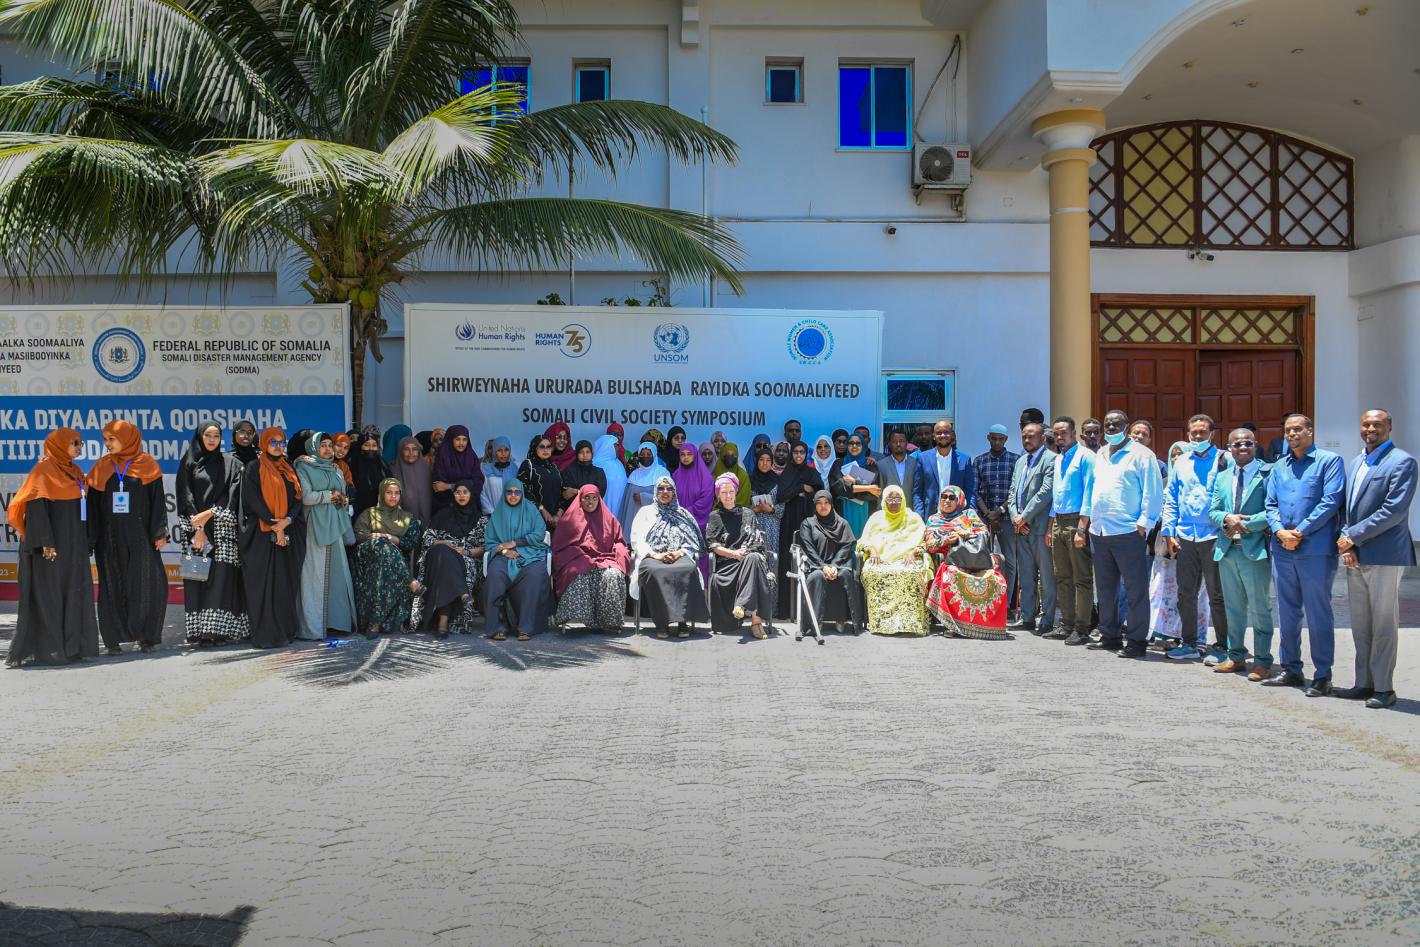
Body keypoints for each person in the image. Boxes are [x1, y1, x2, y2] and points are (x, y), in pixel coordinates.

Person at [1335, 409, 1415, 708]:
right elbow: (1347, 507)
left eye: (1377, 424)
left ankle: (1384, 688)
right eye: (1366, 424)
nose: (1370, 429)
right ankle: (1363, 683)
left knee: (1383, 624)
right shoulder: (1357, 461)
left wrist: (1353, 537)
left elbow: (1394, 510)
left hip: (1385, 554)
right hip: (1356, 553)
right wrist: (1347, 544)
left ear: (1389, 427)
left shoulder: (1402, 461)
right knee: (1361, 623)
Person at [1262, 413, 1346, 696]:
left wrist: (1299, 532)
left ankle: (1323, 675)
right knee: (1287, 611)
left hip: (1315, 550)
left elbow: (1330, 501)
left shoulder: (1329, 461)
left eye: (1297, 429)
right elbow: (1270, 504)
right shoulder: (1279, 467)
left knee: (1318, 612)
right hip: (1282, 550)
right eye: (1287, 430)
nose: (1291, 434)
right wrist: (1279, 531)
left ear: (1310, 431)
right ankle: (1291, 669)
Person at [5, 428, 99, 667]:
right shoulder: (43, 471)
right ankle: (51, 650)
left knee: (74, 591)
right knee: (51, 595)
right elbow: (36, 510)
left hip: (73, 545)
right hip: (50, 548)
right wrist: (45, 542)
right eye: (75, 443)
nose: (79, 447)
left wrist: (86, 539)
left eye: (81, 443)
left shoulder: (74, 472)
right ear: (59, 445)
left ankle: (73, 647)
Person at [1079, 409, 1163, 658]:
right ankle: (1110, 636)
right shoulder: (1101, 453)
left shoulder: (1142, 455)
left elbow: (1153, 492)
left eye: (1116, 424)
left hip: (1128, 531)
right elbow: (1092, 489)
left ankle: (1136, 641)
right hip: (1100, 530)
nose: (1111, 429)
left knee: (1135, 590)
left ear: (1126, 426)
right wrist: (1087, 523)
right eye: (1107, 424)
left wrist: (1143, 524)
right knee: (1106, 589)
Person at [87, 419, 167, 655]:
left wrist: (159, 532)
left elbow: (157, 502)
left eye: (112, 439)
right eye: (105, 439)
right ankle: (113, 640)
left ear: (127, 438)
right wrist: (91, 538)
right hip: (109, 539)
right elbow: (92, 507)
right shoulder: (102, 467)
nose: (107, 443)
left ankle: (147, 637)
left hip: (141, 537)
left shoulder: (147, 465)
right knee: (112, 585)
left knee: (147, 584)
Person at [1160, 415, 1230, 661]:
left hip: (1214, 536)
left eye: (1202, 432)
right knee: (1186, 593)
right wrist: (1168, 532)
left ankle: (1222, 646)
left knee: (1217, 595)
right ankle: (1189, 643)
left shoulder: (1225, 460)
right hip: (1185, 536)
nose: (1198, 437)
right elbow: (1172, 497)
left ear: (1212, 434)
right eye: (1194, 433)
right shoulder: (1182, 462)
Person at [1208, 428, 1274, 678]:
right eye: (1237, 444)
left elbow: (1273, 509)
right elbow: (1213, 511)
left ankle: (1262, 660)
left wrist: (1246, 523)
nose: (1242, 448)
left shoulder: (1268, 473)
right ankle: (1236, 656)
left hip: (1255, 550)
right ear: (1229, 448)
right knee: (1233, 608)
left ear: (1255, 445)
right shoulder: (1223, 476)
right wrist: (1227, 518)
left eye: (1247, 443)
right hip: (1227, 550)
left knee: (1259, 608)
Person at [175, 421, 247, 646]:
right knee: (197, 579)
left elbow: (232, 495)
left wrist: (210, 513)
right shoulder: (189, 462)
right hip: (195, 532)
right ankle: (201, 633)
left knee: (221, 582)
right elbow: (185, 497)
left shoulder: (231, 464)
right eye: (208, 435)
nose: (212, 440)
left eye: (216, 436)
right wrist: (199, 530)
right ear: (200, 437)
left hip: (223, 531)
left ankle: (217, 632)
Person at [239, 427, 306, 649]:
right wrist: (275, 526)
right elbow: (253, 499)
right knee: (263, 584)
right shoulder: (254, 468)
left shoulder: (289, 468)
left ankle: (285, 631)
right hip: (261, 534)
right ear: (264, 443)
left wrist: (287, 520)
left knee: (285, 583)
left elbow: (298, 498)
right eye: (273, 442)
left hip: (288, 531)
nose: (278, 446)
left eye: (281, 442)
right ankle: (266, 635)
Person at [924, 485, 1009, 640]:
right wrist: (946, 539)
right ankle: (953, 625)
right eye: (944, 497)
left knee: (994, 577)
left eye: (952, 498)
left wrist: (968, 533)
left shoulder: (969, 514)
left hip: (974, 559)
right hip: (951, 560)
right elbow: (929, 545)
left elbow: (984, 533)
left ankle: (986, 624)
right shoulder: (933, 519)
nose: (947, 501)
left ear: (959, 501)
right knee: (951, 574)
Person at [294, 431, 356, 640]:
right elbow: (306, 497)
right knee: (314, 576)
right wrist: (330, 495)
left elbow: (343, 496)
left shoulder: (336, 468)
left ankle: (336, 623)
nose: (328, 449)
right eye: (323, 445)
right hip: (315, 525)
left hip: (335, 524)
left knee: (337, 575)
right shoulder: (303, 467)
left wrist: (342, 499)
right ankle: (312, 628)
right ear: (313, 447)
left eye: (330, 445)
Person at [629, 476, 709, 638]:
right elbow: (637, 540)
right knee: (655, 571)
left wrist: (679, 553)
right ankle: (662, 622)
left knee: (688, 568)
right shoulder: (645, 512)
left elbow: (692, 541)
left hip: (679, 555)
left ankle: (683, 621)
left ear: (674, 492)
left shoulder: (683, 514)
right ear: (655, 491)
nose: (665, 492)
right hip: (652, 556)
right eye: (661, 488)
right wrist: (656, 555)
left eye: (669, 488)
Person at [552, 484, 630, 634]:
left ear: (599, 500)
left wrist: (620, 554)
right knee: (578, 573)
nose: (590, 502)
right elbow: (560, 547)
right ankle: (582, 619)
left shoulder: (609, 519)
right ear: (579, 499)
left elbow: (619, 542)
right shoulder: (569, 520)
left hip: (605, 559)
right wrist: (582, 557)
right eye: (586, 498)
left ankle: (611, 621)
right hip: (578, 559)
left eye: (594, 498)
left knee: (613, 575)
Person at [413, 480, 485, 636]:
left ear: (471, 495)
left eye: (465, 492)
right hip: (436, 554)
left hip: (464, 558)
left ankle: (443, 621)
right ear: (453, 495)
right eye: (458, 492)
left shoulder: (480, 519)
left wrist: (466, 552)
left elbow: (485, 548)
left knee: (445, 565)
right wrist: (443, 543)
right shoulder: (442, 514)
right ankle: (462, 592)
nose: (461, 495)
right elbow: (427, 539)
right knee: (443, 553)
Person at [1046, 416, 1096, 645]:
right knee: (1062, 576)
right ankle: (1066, 624)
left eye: (1063, 433)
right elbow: (1056, 495)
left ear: (1074, 433)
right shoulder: (1059, 459)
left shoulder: (1086, 457)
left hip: (1077, 521)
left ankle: (1082, 628)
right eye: (1056, 434)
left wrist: (1082, 529)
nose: (1059, 437)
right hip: (1059, 521)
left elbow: (1089, 493)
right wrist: (1050, 527)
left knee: (1081, 578)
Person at [706, 473, 774, 639]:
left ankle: (745, 609)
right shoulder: (715, 516)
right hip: (728, 564)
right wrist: (733, 553)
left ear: (736, 492)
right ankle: (756, 623)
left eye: (731, 491)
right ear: (718, 495)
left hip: (747, 558)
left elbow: (757, 540)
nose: (728, 496)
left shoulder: (748, 513)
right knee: (755, 563)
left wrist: (744, 553)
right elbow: (712, 545)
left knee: (754, 559)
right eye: (723, 492)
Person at [352, 478, 423, 638]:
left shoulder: (408, 518)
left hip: (393, 561)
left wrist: (389, 537)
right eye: (389, 492)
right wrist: (377, 538)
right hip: (368, 558)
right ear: (382, 494)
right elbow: (358, 535)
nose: (393, 496)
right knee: (382, 546)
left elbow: (410, 543)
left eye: (397, 493)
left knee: (385, 560)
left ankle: (375, 623)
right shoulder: (369, 514)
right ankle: (410, 581)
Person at [483, 480, 553, 641]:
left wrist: (515, 543)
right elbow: (490, 542)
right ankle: (499, 627)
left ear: (522, 493)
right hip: (504, 555)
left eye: (517, 492)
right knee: (495, 575)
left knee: (534, 575)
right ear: (505, 493)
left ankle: (526, 627)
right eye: (509, 492)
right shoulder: (498, 513)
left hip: (531, 552)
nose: (513, 495)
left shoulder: (531, 509)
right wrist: (505, 551)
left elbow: (539, 533)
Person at [857, 484, 929, 636]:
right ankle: (881, 624)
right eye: (890, 498)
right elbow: (863, 541)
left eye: (898, 498)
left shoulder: (913, 518)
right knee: (871, 572)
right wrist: (872, 549)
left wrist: (913, 553)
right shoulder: (876, 518)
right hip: (880, 559)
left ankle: (910, 624)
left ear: (903, 500)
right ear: (884, 500)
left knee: (911, 573)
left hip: (907, 558)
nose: (894, 502)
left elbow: (925, 543)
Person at [1006, 422, 1055, 635]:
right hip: (1021, 528)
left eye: (1032, 436)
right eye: (1024, 436)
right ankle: (1027, 617)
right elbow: (1012, 493)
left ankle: (1047, 619)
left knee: (1046, 577)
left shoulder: (1051, 459)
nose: (1027, 440)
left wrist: (1024, 517)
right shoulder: (1020, 462)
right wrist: (1015, 517)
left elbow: (1045, 492)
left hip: (1040, 528)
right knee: (1026, 575)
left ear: (1042, 437)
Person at [797, 489, 865, 634]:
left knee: (845, 576)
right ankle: (815, 622)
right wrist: (823, 567)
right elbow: (809, 549)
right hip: (815, 566)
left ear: (831, 504)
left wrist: (834, 565)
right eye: (819, 503)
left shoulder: (842, 523)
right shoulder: (808, 523)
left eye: (826, 503)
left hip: (839, 565)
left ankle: (842, 619)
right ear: (815, 505)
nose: (823, 506)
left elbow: (846, 547)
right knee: (817, 577)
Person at [973, 423, 1019, 618]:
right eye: (994, 438)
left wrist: (999, 512)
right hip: (985, 519)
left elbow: (1015, 491)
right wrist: (988, 514)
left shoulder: (1016, 460)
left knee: (1010, 561)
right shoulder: (980, 461)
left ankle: (1006, 606)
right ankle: (984, 602)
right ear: (988, 438)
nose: (997, 442)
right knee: (983, 560)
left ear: (1006, 439)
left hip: (1007, 518)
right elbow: (975, 490)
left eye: (1000, 439)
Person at [774, 441, 824, 618]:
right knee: (789, 561)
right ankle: (786, 609)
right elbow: (781, 496)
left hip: (808, 521)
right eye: (795, 452)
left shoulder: (812, 473)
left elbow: (819, 494)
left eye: (802, 452)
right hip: (789, 522)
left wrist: (803, 493)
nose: (798, 455)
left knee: (808, 559)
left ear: (806, 454)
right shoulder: (787, 473)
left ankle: (807, 609)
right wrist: (801, 488)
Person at [913, 420, 976, 520]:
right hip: (930, 516)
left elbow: (970, 491)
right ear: (934, 436)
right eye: (939, 433)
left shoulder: (964, 460)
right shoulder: (923, 458)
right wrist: (919, 514)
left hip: (958, 518)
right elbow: (917, 491)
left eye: (946, 432)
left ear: (952, 435)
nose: (942, 435)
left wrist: (971, 515)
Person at [831, 432, 882, 538]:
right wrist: (867, 488)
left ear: (863, 445)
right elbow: (838, 489)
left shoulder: (870, 465)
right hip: (844, 509)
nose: (854, 446)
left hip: (865, 510)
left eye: (858, 443)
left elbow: (875, 493)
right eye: (851, 443)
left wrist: (854, 482)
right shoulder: (838, 464)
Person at [620, 441, 671, 536]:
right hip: (634, 522)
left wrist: (644, 497)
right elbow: (627, 504)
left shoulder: (662, 473)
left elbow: (667, 498)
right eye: (642, 454)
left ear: (654, 455)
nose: (645, 456)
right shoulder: (634, 475)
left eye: (648, 454)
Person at [431, 424, 484, 515]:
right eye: (457, 439)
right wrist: (466, 487)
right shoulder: (442, 457)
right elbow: (438, 487)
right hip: (447, 508)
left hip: (470, 508)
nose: (461, 443)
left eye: (464, 439)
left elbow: (478, 484)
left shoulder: (471, 457)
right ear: (450, 440)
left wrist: (450, 486)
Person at [517, 433, 564, 531]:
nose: (545, 450)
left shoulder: (554, 468)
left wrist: (558, 515)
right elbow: (523, 490)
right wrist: (542, 509)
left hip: (555, 520)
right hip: (535, 518)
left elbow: (562, 493)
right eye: (542, 447)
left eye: (548, 447)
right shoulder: (528, 465)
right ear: (535, 448)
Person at [672, 441, 715, 535]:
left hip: (697, 524)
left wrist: (686, 512)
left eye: (689, 454)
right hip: (678, 522)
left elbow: (706, 500)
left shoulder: (706, 477)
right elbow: (671, 497)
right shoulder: (675, 476)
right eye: (682, 454)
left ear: (695, 455)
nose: (686, 457)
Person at [749, 448, 785, 557]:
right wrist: (753, 509)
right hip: (754, 524)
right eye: (761, 459)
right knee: (755, 556)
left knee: (771, 555)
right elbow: (742, 506)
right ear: (757, 461)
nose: (765, 463)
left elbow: (783, 506)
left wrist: (771, 509)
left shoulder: (778, 481)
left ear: (772, 462)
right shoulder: (750, 481)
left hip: (772, 526)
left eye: (768, 460)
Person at [393, 435, 434, 526]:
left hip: (428, 525)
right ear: (400, 451)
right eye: (406, 449)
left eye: (415, 449)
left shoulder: (428, 471)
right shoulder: (392, 472)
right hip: (402, 525)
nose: (411, 453)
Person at [350, 427, 391, 515]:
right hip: (358, 512)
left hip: (380, 512)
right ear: (360, 446)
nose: (371, 448)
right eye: (367, 445)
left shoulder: (382, 464)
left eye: (374, 445)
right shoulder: (353, 465)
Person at [560, 440, 608, 511]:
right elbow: (566, 495)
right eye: (581, 452)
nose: (585, 455)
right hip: (573, 511)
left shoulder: (599, 472)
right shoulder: (569, 471)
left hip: (593, 510)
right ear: (577, 454)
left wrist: (576, 491)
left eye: (587, 452)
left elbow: (600, 493)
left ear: (592, 454)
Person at [592, 434, 629, 523]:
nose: (619, 448)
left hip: (619, 509)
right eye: (616, 445)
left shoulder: (619, 464)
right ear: (607, 445)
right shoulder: (595, 464)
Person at [480, 436, 519, 516]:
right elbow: (482, 493)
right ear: (494, 451)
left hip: (512, 514)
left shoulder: (515, 468)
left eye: (506, 450)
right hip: (492, 515)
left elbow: (519, 492)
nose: (503, 454)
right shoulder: (485, 469)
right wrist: (491, 512)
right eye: (499, 450)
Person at [877, 430, 916, 500]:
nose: (898, 444)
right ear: (889, 444)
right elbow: (879, 491)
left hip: (910, 506)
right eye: (894, 442)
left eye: (901, 441)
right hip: (889, 506)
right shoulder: (881, 465)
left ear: (906, 443)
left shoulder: (915, 463)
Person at [712, 442, 752, 508]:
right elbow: (709, 499)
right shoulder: (713, 475)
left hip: (738, 512)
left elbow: (743, 499)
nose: (730, 457)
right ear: (721, 456)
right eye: (727, 455)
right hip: (716, 512)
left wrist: (729, 507)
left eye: (733, 455)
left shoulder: (743, 476)